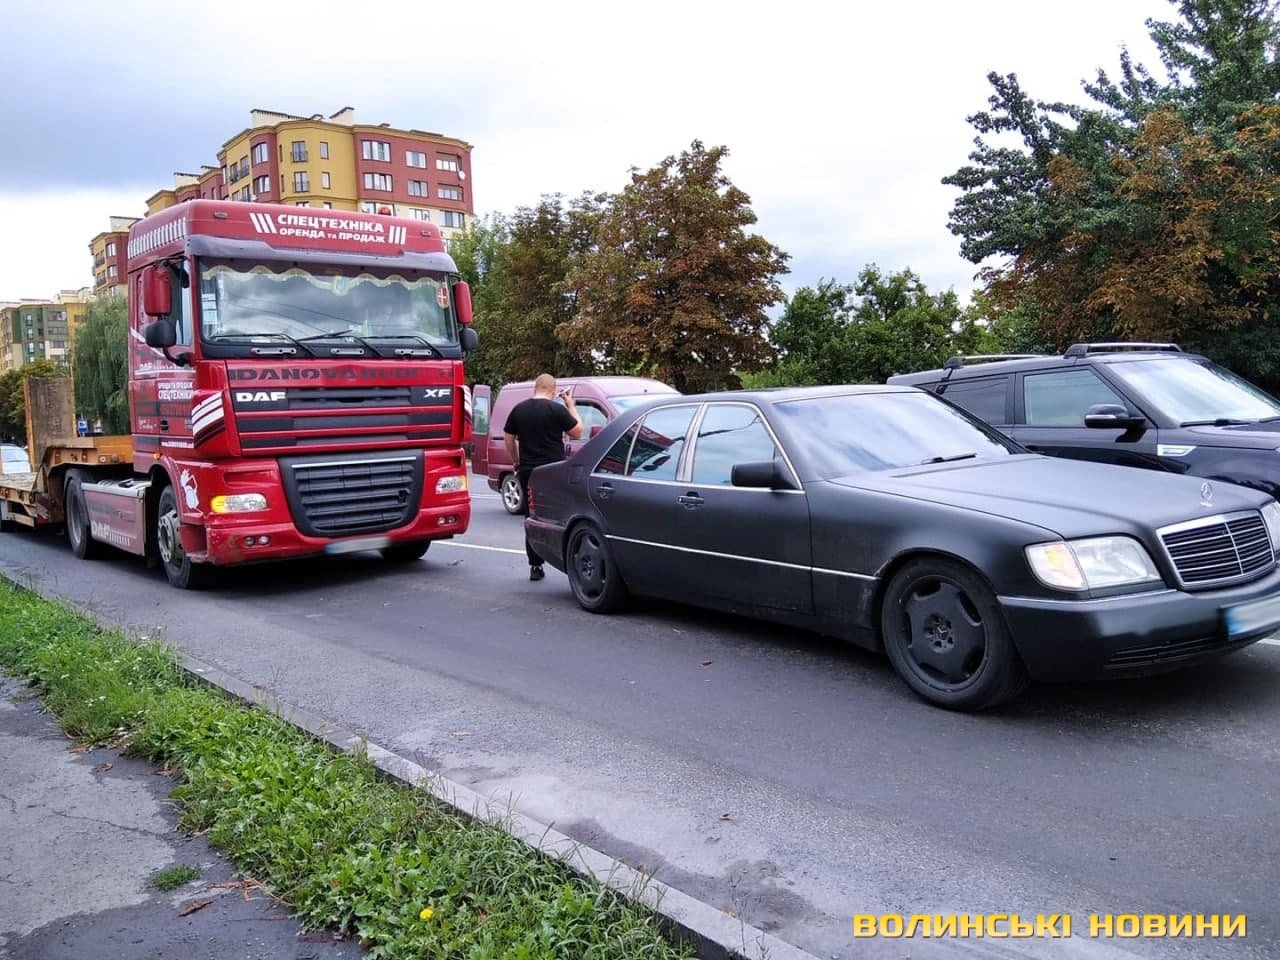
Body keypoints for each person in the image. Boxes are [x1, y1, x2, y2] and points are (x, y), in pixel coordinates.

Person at [503, 374, 584, 580]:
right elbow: (578, 432)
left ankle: (535, 566)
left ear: (535, 388)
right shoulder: (557, 410)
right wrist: (570, 404)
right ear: (554, 390)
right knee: (561, 516)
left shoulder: (519, 409)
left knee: (531, 516)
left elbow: (508, 438)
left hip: (529, 472)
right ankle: (568, 563)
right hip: (553, 472)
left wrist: (516, 460)